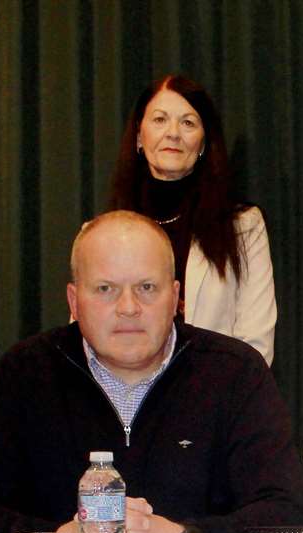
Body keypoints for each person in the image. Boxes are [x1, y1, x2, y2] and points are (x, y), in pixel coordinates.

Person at [0, 211, 303, 533]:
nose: (129, 308)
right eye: (105, 289)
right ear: (73, 302)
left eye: (146, 288)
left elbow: (290, 517)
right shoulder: (26, 373)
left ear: (175, 297)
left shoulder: (234, 372)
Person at [107, 74, 277, 364]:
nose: (173, 133)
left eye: (188, 122)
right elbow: (87, 332)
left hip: (215, 400)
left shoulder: (244, 226)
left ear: (203, 143)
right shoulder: (104, 234)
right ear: (138, 135)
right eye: (160, 120)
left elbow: (256, 345)